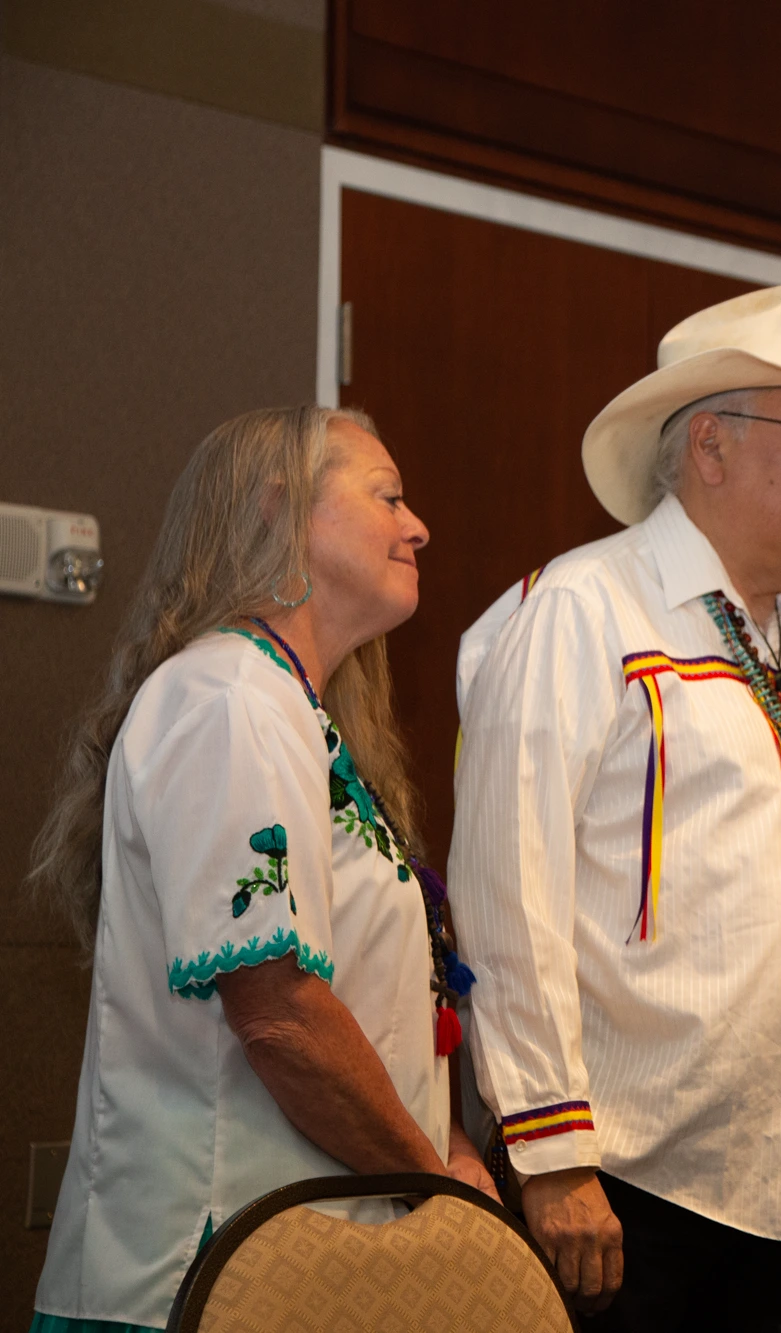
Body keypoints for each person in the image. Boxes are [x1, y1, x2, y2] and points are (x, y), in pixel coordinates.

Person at [450, 284, 781, 1330]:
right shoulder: (582, 609)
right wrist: (550, 1153)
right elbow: (507, 891)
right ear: (710, 444)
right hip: (621, 1191)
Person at [27, 406, 494, 1332]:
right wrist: (437, 1191)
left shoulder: (287, 708)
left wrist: (446, 1145)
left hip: (290, 1271)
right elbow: (283, 1017)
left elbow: (373, 1001)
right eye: (387, 497)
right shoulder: (229, 697)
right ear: (281, 510)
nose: (418, 527)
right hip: (198, 1283)